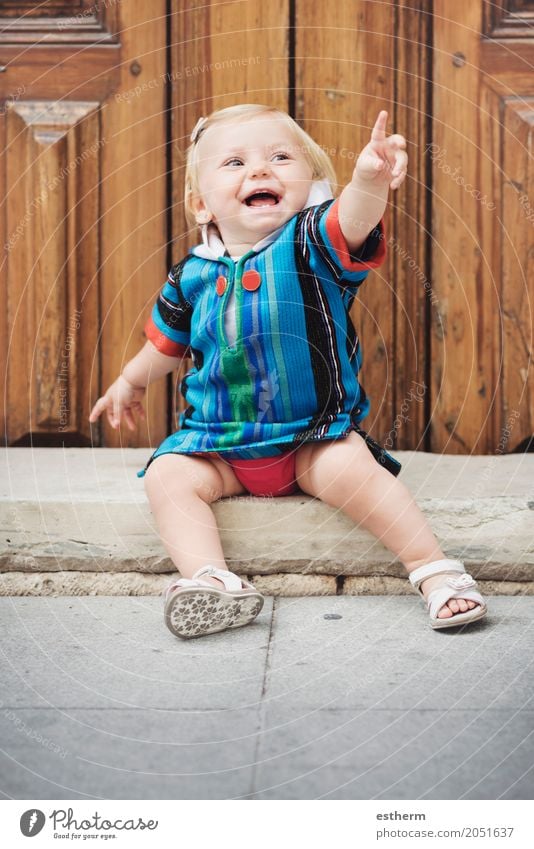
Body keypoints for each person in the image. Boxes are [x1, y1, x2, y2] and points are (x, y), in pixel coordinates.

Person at [89, 103, 487, 639]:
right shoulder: (190, 276)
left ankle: (432, 568)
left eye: (280, 157)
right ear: (200, 204)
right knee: (166, 475)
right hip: (220, 445)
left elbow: (356, 216)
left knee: (354, 471)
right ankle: (210, 579)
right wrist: (130, 381)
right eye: (234, 162)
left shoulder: (311, 242)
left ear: (311, 185)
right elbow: (165, 345)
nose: (259, 171)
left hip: (312, 441)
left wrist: (369, 180)